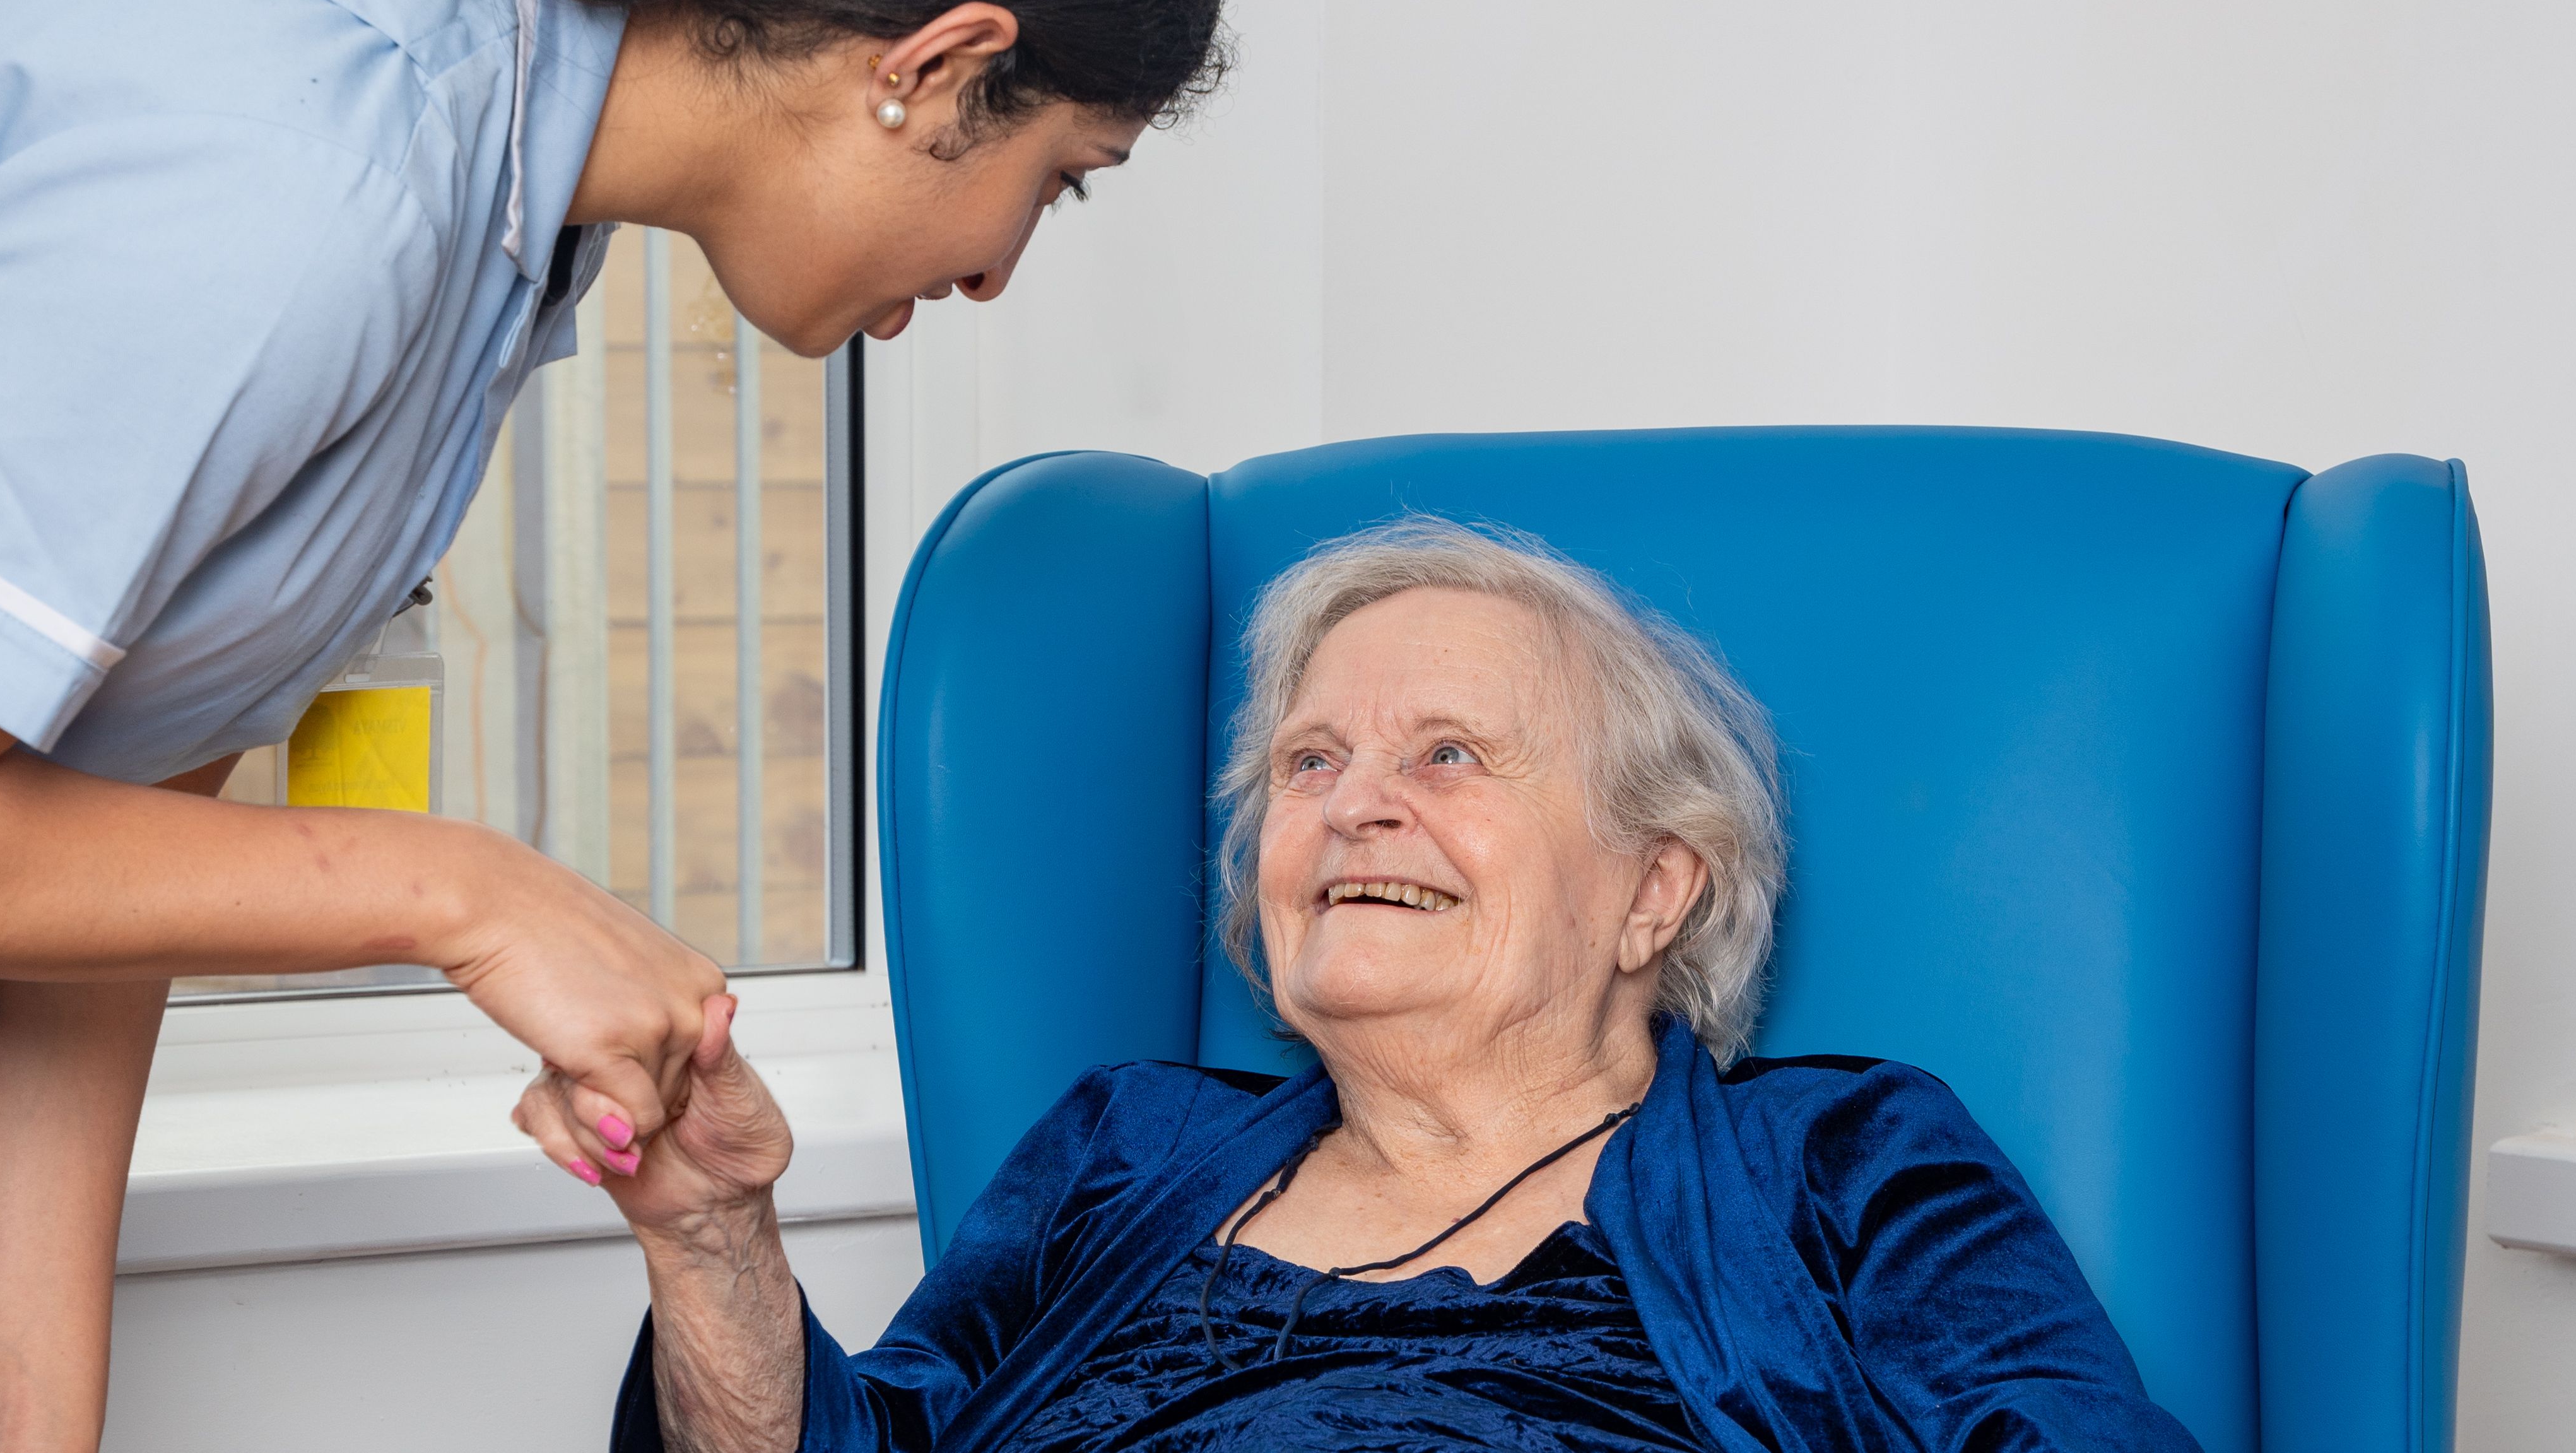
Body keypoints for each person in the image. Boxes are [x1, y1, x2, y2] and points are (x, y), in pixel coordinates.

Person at [0, 0, 1225, 1445]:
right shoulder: (309, 161)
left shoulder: (495, 209)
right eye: (1056, 179)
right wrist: (460, 894)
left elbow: (87, 869)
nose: (996, 273)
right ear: (933, 66)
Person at [552, 519, 2204, 1452]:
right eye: (1310, 758)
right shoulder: (1126, 1146)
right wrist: (710, 1239)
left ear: (1654, 886)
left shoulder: (1844, 1160)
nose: (1353, 801)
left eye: (1452, 754)